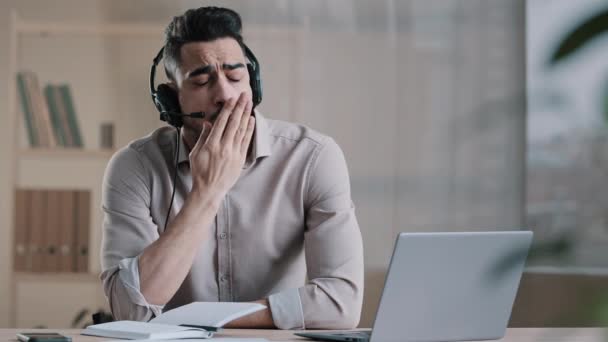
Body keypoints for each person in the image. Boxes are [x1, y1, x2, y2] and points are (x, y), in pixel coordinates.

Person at [100, 6, 363, 330]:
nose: (225, 94)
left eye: (235, 76)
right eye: (201, 81)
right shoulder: (134, 167)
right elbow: (131, 310)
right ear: (171, 100)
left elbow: (341, 305)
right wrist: (207, 192)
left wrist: (207, 319)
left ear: (254, 84)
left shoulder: (313, 158)